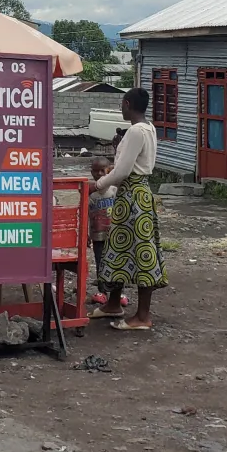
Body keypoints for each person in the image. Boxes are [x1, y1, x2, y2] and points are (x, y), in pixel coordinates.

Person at [90, 87, 165, 331]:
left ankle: (142, 316)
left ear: (127, 103)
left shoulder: (135, 131)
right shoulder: (149, 128)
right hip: (137, 193)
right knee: (119, 248)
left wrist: (98, 185)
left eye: (121, 105)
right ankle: (113, 303)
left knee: (142, 252)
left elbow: (122, 171)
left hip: (133, 195)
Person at [88, 154, 118, 295]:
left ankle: (118, 292)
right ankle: (102, 292)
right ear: (91, 172)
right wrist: (86, 234)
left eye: (102, 170)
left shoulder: (114, 190)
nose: (99, 174)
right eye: (96, 171)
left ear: (109, 171)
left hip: (114, 235)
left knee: (116, 262)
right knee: (100, 262)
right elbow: (85, 214)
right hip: (97, 236)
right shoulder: (89, 193)